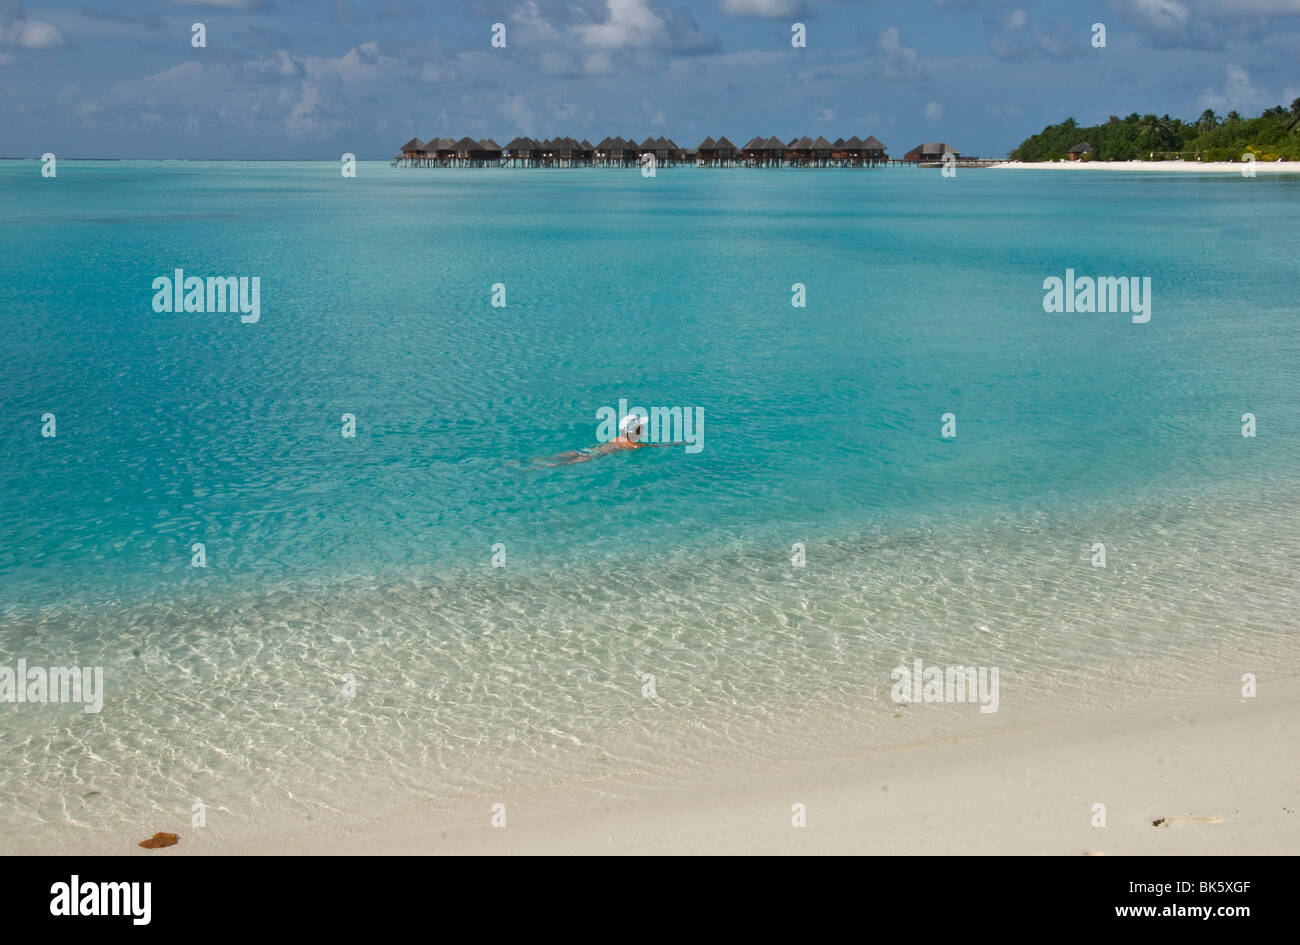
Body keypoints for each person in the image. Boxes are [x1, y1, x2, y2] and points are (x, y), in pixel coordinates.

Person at [538, 415, 651, 466]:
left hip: (587, 450)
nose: (644, 428)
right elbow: (650, 446)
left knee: (563, 456)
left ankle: (536, 461)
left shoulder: (618, 438)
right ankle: (545, 465)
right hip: (593, 456)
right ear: (635, 431)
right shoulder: (635, 445)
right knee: (562, 464)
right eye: (641, 427)